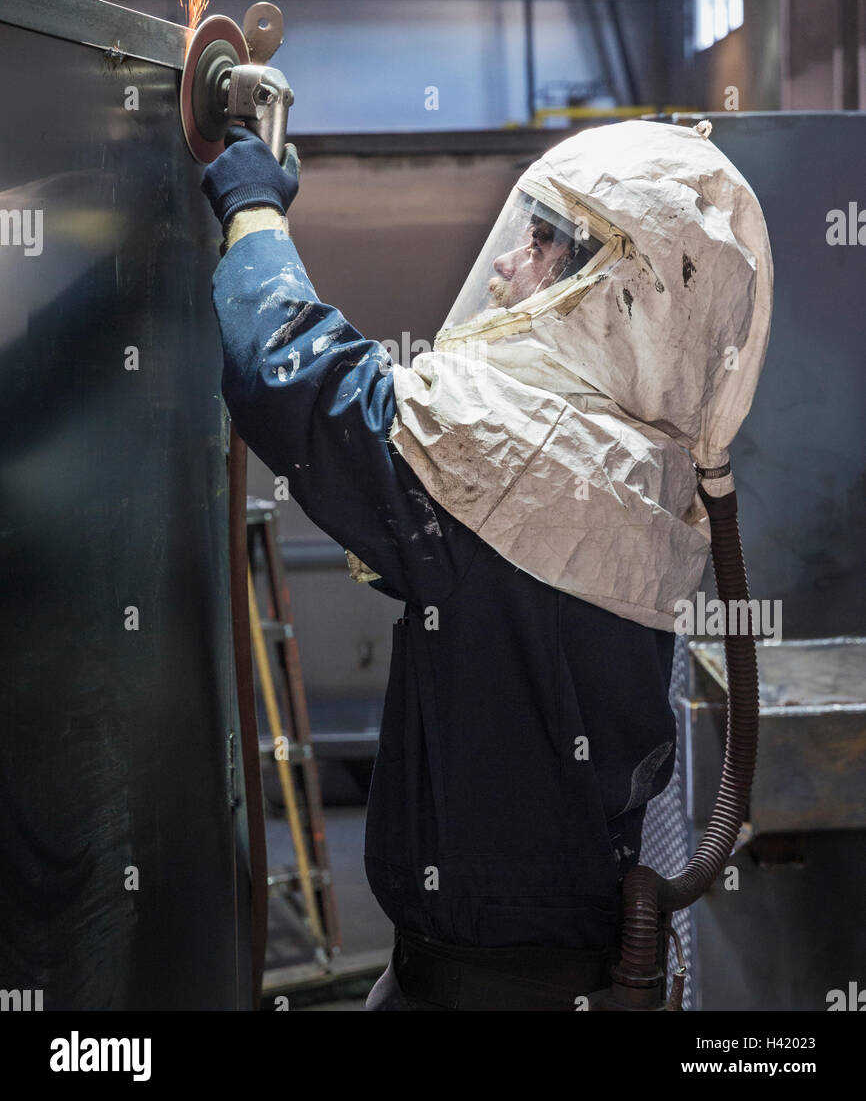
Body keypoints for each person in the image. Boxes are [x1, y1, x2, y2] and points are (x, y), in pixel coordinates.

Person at [201, 116, 771, 1010]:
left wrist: (254, 215)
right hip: (561, 963)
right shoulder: (632, 470)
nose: (505, 263)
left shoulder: (521, 465)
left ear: (618, 288)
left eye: (541, 242)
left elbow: (296, 380)